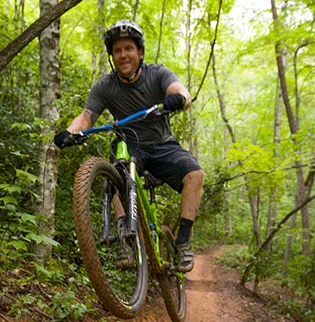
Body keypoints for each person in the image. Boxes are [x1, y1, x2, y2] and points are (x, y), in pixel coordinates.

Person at [54, 19, 203, 273]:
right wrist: (70, 132)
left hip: (162, 145)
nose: (123, 54)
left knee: (195, 174)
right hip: (129, 145)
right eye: (117, 50)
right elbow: (86, 117)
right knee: (116, 175)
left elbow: (180, 90)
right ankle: (125, 239)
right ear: (112, 56)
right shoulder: (104, 87)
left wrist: (179, 99)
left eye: (128, 49)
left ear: (140, 53)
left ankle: (183, 243)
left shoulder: (157, 73)